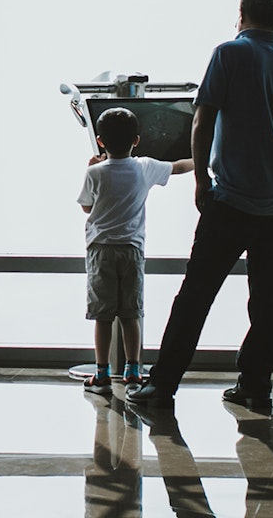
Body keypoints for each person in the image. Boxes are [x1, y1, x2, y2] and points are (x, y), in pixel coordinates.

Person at [128, 0, 273, 413]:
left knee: (196, 295)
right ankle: (254, 386)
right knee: (266, 303)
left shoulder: (228, 54)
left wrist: (201, 181)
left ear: (242, 16)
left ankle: (161, 386)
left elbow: (203, 118)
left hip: (233, 197)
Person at [78, 107, 193, 394]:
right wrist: (204, 156)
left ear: (101, 141)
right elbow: (178, 166)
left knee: (103, 316)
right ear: (137, 140)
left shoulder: (94, 172)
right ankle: (132, 370)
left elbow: (87, 207)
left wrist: (91, 165)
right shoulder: (145, 167)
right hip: (131, 249)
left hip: (101, 250)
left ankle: (102, 373)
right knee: (131, 314)